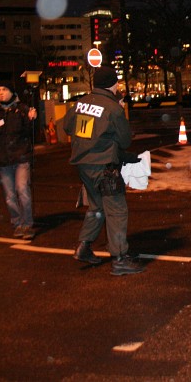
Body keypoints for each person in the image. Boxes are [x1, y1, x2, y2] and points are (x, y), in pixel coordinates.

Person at [63, 66, 145, 276]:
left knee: (97, 205)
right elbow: (125, 141)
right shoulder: (113, 108)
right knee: (116, 210)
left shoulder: (80, 103)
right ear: (113, 84)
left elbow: (67, 127)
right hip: (105, 166)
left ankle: (84, 246)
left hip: (83, 165)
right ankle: (119, 259)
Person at [0, 81, 38, 240]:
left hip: (21, 157)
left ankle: (27, 224)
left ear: (12, 92)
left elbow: (30, 132)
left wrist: (31, 119)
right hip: (3, 160)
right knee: (10, 195)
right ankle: (17, 223)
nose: (1, 92)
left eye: (4, 89)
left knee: (22, 190)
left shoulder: (21, 109)